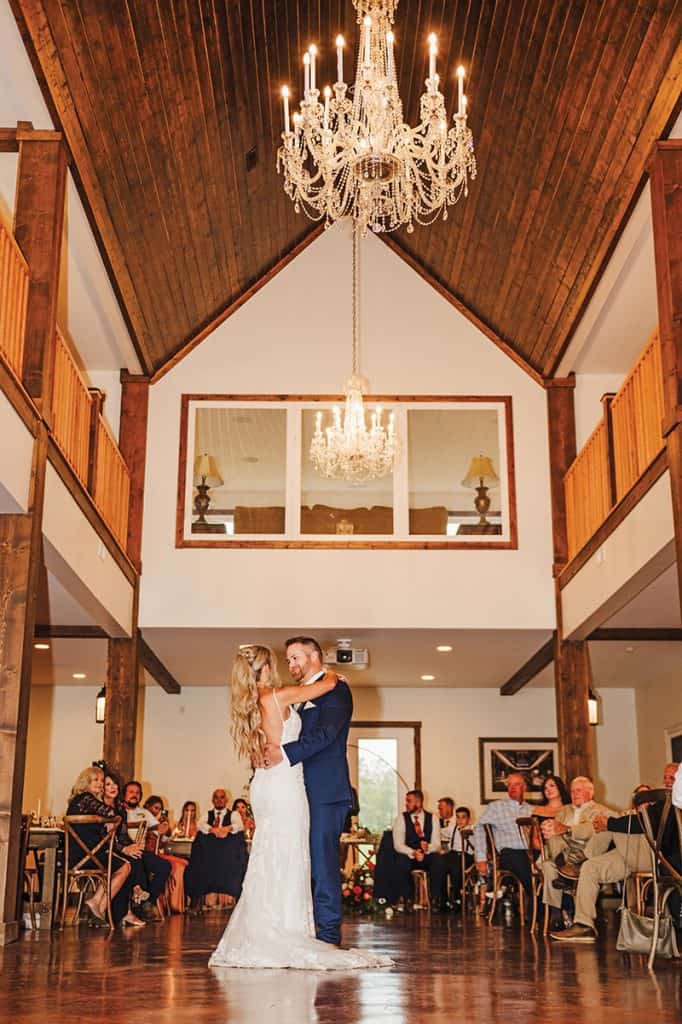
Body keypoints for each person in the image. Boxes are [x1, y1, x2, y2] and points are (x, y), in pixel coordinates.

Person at [209, 643, 391, 969]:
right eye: (286, 658)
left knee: (311, 863)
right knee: (287, 857)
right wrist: (333, 676)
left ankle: (326, 936)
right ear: (263, 668)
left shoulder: (331, 695)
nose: (289, 662)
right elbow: (295, 718)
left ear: (313, 657)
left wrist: (283, 752)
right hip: (284, 787)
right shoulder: (285, 693)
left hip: (318, 790)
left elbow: (326, 734)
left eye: (295, 657)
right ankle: (287, 930)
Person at [66, 765, 143, 927]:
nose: (100, 784)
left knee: (119, 865)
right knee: (125, 867)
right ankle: (97, 905)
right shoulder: (87, 798)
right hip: (87, 855)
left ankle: (97, 910)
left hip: (78, 855)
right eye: (96, 780)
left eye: (101, 780)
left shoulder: (79, 800)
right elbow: (109, 813)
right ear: (85, 782)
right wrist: (111, 820)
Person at [539, 776, 612, 930]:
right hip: (563, 852)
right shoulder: (564, 810)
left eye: (578, 790)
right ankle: (556, 912)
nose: (574, 794)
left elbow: (602, 827)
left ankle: (565, 873)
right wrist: (549, 827)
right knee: (548, 860)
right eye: (572, 791)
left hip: (585, 853)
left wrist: (567, 829)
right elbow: (553, 833)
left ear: (590, 792)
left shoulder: (602, 810)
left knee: (551, 859)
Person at [473, 773, 534, 898]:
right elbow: (478, 827)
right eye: (509, 785)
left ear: (524, 787)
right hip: (509, 854)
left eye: (516, 784)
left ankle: (535, 905)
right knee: (519, 860)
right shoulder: (496, 807)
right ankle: (537, 903)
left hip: (531, 853)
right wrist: (481, 857)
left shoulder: (530, 809)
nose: (512, 788)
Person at [186, 789, 247, 911]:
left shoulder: (234, 814)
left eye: (222, 797)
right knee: (199, 845)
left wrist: (226, 829)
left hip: (228, 855)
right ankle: (197, 900)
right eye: (216, 797)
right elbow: (200, 825)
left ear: (226, 800)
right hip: (209, 855)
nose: (219, 800)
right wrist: (213, 830)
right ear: (212, 800)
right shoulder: (206, 814)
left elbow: (239, 825)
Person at [123, 781, 171, 920]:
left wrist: (164, 828)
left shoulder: (144, 813)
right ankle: (140, 903)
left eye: (137, 793)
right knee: (137, 860)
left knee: (164, 866)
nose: (134, 795)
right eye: (131, 792)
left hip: (141, 852)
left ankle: (147, 901)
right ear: (124, 794)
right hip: (124, 851)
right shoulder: (119, 810)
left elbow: (161, 831)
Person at [102, 770, 148, 913]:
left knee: (136, 854)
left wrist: (131, 846)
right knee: (128, 859)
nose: (113, 787)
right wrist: (124, 849)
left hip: (117, 846)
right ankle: (136, 891)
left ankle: (136, 891)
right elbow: (104, 837)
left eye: (115, 784)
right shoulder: (98, 806)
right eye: (108, 784)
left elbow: (122, 834)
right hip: (104, 849)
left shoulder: (120, 808)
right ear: (102, 788)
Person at [391, 790, 441, 908]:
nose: (406, 804)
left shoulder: (433, 818)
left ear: (418, 802)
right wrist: (413, 852)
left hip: (427, 855)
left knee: (439, 862)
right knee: (401, 862)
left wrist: (428, 847)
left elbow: (437, 844)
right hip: (409, 856)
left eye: (409, 801)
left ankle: (435, 899)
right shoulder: (401, 818)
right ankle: (407, 898)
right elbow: (398, 845)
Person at [144, 795, 187, 914]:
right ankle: (169, 904)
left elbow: (164, 841)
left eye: (159, 809)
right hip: (148, 853)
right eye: (155, 808)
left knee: (183, 863)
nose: (157, 811)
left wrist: (166, 826)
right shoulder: (145, 817)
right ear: (147, 806)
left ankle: (176, 904)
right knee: (177, 866)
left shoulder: (158, 822)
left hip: (157, 852)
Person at [431, 805, 474, 912]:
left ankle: (457, 899)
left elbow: (476, 847)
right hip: (453, 854)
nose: (460, 820)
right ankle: (442, 899)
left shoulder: (473, 830)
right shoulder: (453, 828)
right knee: (439, 865)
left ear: (469, 818)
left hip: (466, 855)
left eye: (463, 817)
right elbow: (441, 831)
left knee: (456, 868)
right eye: (458, 817)